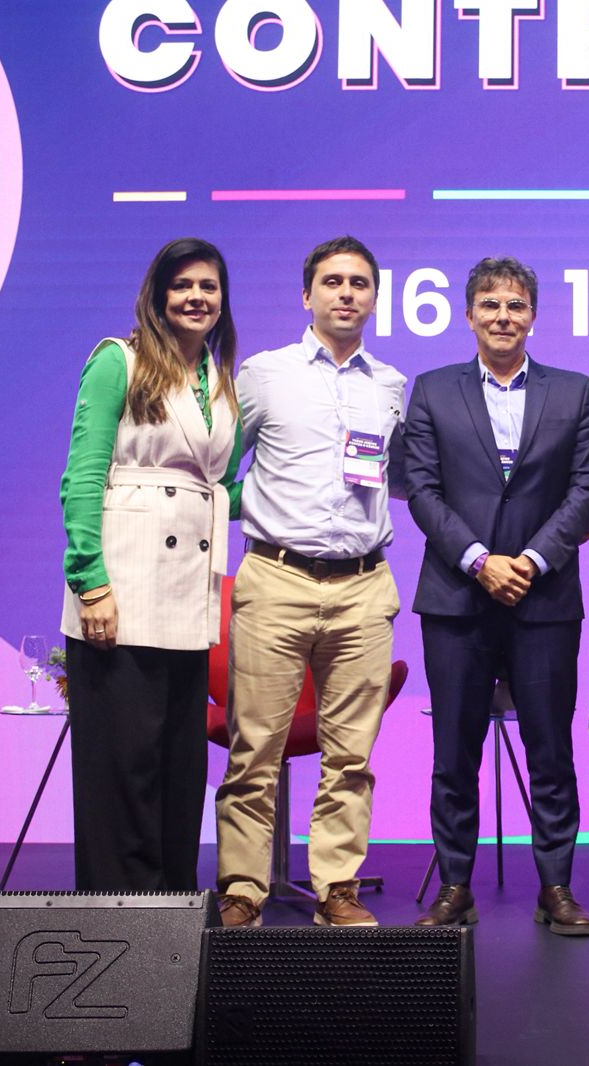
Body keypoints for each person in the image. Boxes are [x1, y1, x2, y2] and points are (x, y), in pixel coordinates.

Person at [405, 257, 589, 936]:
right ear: (469, 315)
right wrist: (478, 560)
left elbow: (586, 490)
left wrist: (531, 560)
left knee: (551, 752)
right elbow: (423, 492)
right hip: (457, 598)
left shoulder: (573, 391)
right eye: (489, 304)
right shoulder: (432, 391)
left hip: (543, 600)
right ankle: (454, 886)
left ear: (533, 316)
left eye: (516, 305)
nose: (502, 316)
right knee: (453, 753)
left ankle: (557, 887)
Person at [214, 236, 406, 928]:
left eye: (359, 283)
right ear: (307, 295)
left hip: (362, 585)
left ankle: (337, 887)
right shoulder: (264, 374)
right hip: (276, 578)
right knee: (255, 749)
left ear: (375, 299)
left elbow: (401, 478)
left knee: (350, 755)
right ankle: (242, 888)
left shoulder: (391, 386)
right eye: (332, 282)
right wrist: (264, 513)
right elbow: (217, 467)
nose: (346, 293)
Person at [59, 236, 241, 892]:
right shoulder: (119, 360)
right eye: (183, 285)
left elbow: (223, 490)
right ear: (158, 295)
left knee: (177, 769)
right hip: (124, 587)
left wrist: (312, 490)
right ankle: (119, 923)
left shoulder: (221, 382)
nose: (196, 297)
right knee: (123, 769)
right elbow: (83, 475)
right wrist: (91, 582)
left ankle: (171, 916)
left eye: (209, 287)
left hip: (189, 599)